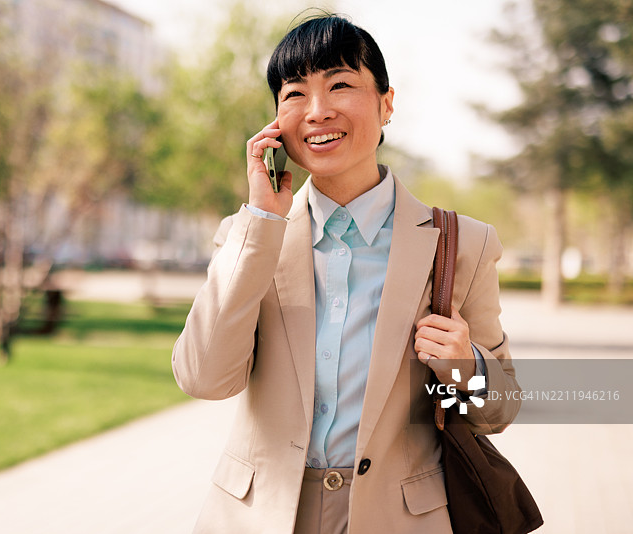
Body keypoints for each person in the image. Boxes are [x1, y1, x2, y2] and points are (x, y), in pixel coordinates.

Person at [172, 13, 522, 534]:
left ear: (386, 104)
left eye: (340, 84)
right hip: (260, 516)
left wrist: (462, 365)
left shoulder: (462, 243)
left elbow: (501, 409)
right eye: (294, 93)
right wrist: (263, 218)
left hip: (398, 519)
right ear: (274, 120)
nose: (317, 111)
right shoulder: (247, 236)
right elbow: (203, 378)